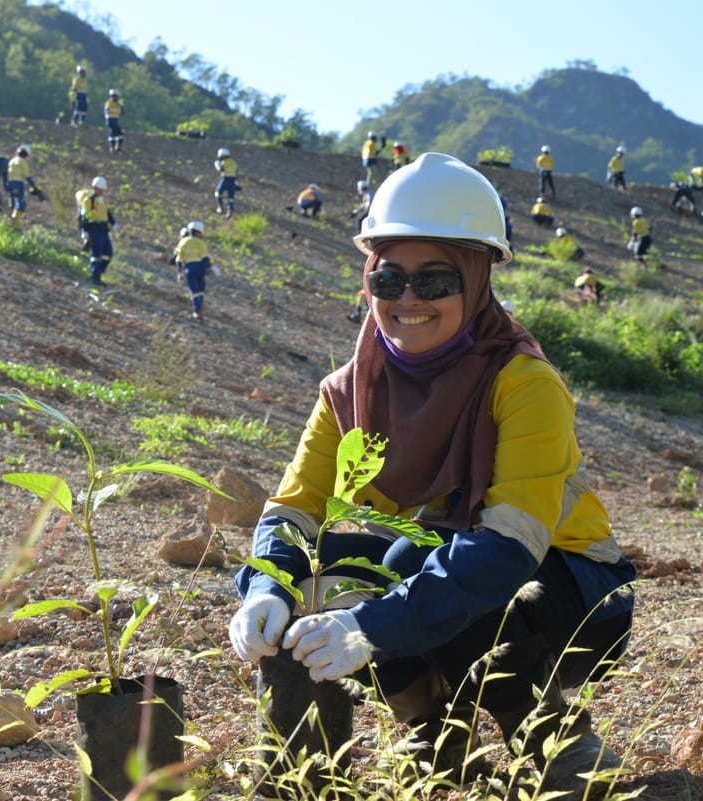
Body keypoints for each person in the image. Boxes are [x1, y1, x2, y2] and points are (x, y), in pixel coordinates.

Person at [229, 151, 634, 799]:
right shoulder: (348, 392)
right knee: (317, 572)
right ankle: (426, 738)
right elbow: (292, 509)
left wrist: (371, 628)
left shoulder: (523, 383)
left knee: (412, 556)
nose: (408, 300)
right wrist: (263, 586)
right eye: (390, 280)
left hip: (572, 592)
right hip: (436, 571)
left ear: (475, 281)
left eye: (436, 280)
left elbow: (505, 548)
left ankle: (556, 735)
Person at [173, 220, 219, 320]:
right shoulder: (200, 242)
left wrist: (179, 273)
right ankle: (200, 308)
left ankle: (197, 310)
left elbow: (178, 260)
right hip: (201, 268)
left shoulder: (183, 242)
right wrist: (212, 267)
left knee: (194, 290)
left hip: (189, 268)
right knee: (201, 289)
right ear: (199, 232)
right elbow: (205, 258)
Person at [76, 175, 116, 286]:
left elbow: (107, 213)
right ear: (95, 188)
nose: (103, 191)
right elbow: (84, 217)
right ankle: (95, 276)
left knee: (108, 253)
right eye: (101, 189)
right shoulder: (88, 201)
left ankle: (99, 272)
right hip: (94, 230)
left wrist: (114, 223)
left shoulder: (102, 201)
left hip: (103, 230)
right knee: (96, 254)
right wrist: (84, 231)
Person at [5, 144, 43, 230]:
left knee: (14, 203)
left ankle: (11, 222)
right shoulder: (22, 161)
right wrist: (35, 187)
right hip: (18, 184)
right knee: (21, 204)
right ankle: (15, 223)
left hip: (10, 183)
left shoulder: (12, 161)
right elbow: (27, 176)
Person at [214, 148, 239, 218]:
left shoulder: (223, 162)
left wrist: (216, 165)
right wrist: (236, 182)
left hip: (225, 179)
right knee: (231, 197)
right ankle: (230, 211)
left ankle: (220, 207)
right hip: (233, 180)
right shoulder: (234, 163)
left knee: (217, 193)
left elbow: (220, 170)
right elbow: (236, 172)